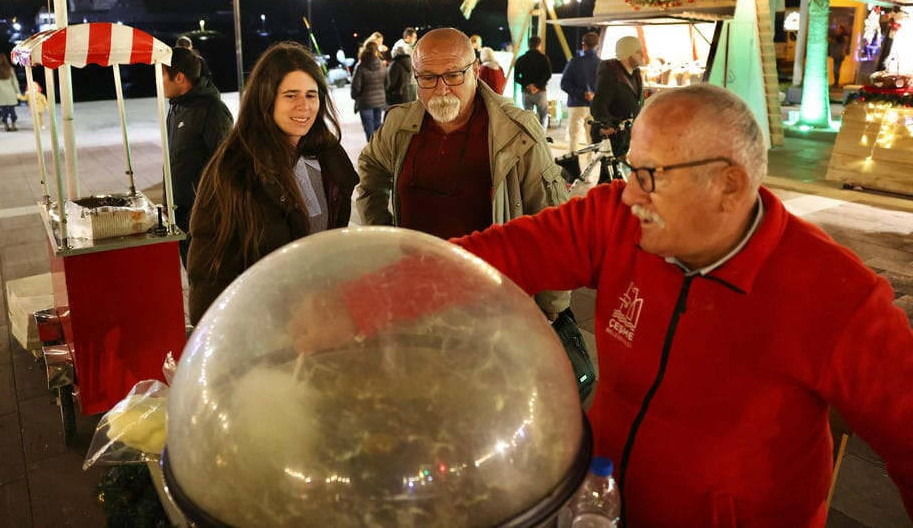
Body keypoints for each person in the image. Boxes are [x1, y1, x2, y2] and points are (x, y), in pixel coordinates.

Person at [293, 84, 913, 526]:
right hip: (600, 501)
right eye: (629, 170)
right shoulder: (614, 217)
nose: (629, 194)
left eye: (651, 176)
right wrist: (358, 301)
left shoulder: (837, 296)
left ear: (729, 183)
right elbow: (493, 255)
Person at [355, 27, 569, 314]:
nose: (441, 89)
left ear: (475, 70)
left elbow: (551, 227)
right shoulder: (399, 125)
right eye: (428, 78)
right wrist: (383, 235)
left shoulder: (515, 132)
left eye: (454, 75)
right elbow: (371, 170)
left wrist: (548, 314)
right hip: (412, 296)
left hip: (488, 304)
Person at [186, 41, 358, 325]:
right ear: (266, 99)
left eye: (311, 95)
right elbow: (209, 271)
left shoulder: (327, 157)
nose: (304, 106)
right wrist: (215, 338)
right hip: (262, 326)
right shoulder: (235, 169)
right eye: (291, 95)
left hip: (317, 321)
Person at [163, 46, 234, 265]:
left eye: (163, 76)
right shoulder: (175, 108)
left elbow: (227, 164)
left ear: (180, 77)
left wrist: (216, 212)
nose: (159, 82)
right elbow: (175, 159)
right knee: (192, 273)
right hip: (179, 212)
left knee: (208, 276)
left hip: (204, 215)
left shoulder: (212, 110)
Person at [590, 35, 645, 160]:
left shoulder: (635, 75)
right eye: (638, 52)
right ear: (628, 53)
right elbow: (598, 105)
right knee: (611, 176)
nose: (642, 55)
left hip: (626, 136)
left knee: (622, 176)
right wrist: (608, 124)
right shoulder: (610, 75)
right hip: (611, 137)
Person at [560, 31, 601, 163]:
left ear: (583, 45)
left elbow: (564, 84)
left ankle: (573, 171)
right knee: (592, 140)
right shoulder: (601, 64)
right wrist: (594, 94)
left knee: (574, 138)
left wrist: (581, 93)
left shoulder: (574, 62)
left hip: (577, 105)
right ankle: (590, 172)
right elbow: (604, 86)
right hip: (595, 107)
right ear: (597, 46)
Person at [351, 40, 388, 140]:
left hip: (365, 103)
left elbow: (356, 87)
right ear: (376, 51)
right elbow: (387, 83)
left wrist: (355, 96)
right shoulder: (382, 65)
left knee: (369, 128)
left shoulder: (360, 66)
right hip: (380, 101)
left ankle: (372, 152)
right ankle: (379, 150)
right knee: (378, 126)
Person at [513, 36, 552, 127]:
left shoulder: (521, 59)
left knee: (528, 117)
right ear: (539, 45)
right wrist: (538, 86)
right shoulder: (544, 58)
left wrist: (527, 85)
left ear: (528, 45)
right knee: (543, 116)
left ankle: (530, 137)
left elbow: (516, 77)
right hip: (540, 91)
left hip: (526, 92)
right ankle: (541, 137)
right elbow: (548, 74)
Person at [385, 27, 417, 106]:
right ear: (408, 37)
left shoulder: (402, 50)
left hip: (407, 83)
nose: (415, 39)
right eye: (414, 37)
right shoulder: (405, 50)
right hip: (407, 83)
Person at [0, 53, 21, 131]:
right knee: (12, 110)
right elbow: (15, 82)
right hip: (10, 93)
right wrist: (18, 91)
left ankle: (6, 125)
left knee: (4, 111)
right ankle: (13, 125)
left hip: (0, 94)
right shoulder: (10, 69)